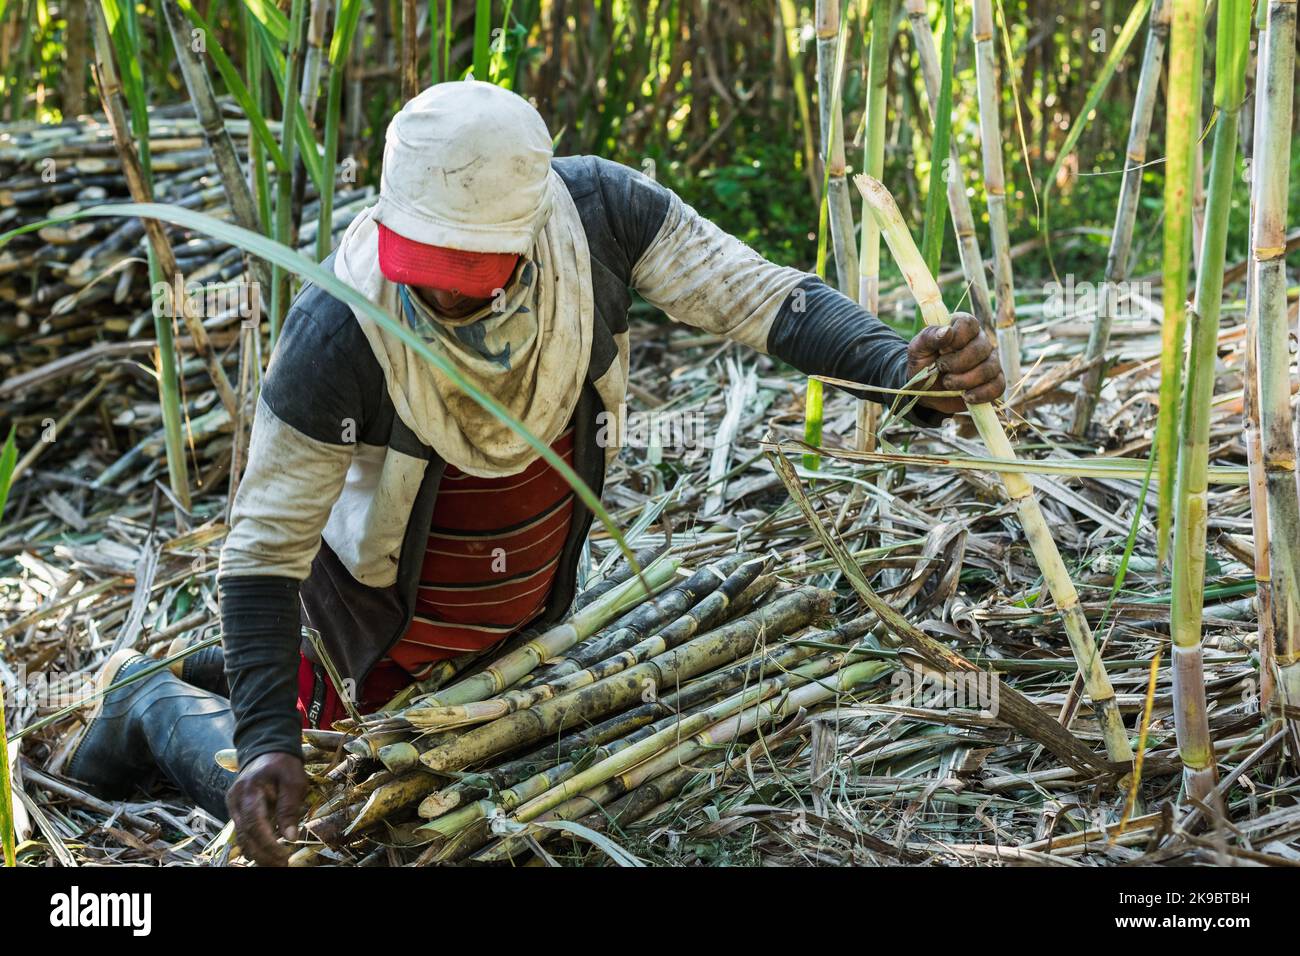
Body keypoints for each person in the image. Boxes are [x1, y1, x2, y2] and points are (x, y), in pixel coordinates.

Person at [64, 81, 1005, 866]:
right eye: (420, 266)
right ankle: (153, 701)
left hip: (521, 633)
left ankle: (223, 678)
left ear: (523, 234)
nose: (431, 294)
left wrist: (902, 372)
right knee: (342, 824)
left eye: (460, 271)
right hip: (375, 650)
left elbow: (764, 299)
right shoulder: (340, 329)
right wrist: (266, 748)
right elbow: (264, 552)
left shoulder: (596, 223)